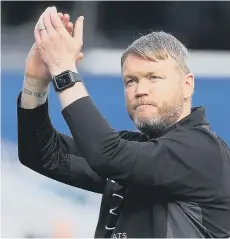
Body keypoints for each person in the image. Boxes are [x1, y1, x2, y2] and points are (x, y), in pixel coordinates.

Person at [17, 6, 230, 238]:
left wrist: (63, 71)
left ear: (187, 84)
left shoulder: (201, 150)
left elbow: (108, 155)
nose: (140, 90)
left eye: (154, 77)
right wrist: (35, 82)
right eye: (130, 81)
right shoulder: (134, 152)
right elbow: (42, 154)